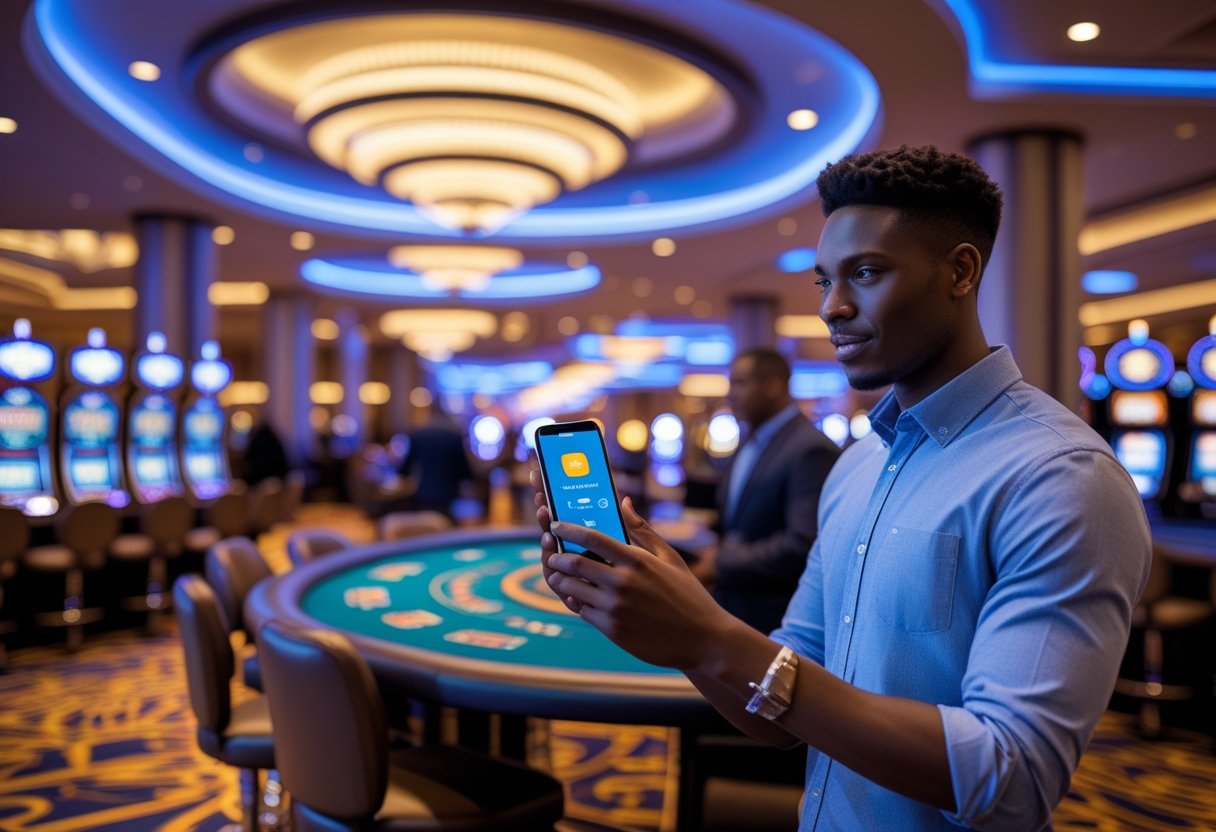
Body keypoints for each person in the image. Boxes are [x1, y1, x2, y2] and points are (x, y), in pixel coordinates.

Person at [533, 145, 1151, 830]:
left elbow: (1012, 777)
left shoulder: (1061, 477)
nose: (832, 306)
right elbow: (780, 718)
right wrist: (680, 633)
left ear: (961, 272)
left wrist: (712, 640)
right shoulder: (856, 467)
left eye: (866, 273)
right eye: (825, 280)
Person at [691, 348, 840, 635]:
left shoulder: (809, 449)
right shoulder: (750, 440)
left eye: (740, 384)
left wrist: (721, 563)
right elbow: (739, 522)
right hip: (735, 609)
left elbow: (803, 544)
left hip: (775, 620)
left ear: (773, 386)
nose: (730, 395)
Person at [399, 402, 475, 520]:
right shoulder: (454, 435)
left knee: (427, 530)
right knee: (445, 531)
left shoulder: (419, 434)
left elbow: (405, 468)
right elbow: (465, 470)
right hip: (449, 495)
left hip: (424, 493)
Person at [241, 416, 290, 486]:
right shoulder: (273, 438)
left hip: (262, 482)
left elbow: (249, 459)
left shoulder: (260, 439)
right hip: (275, 481)